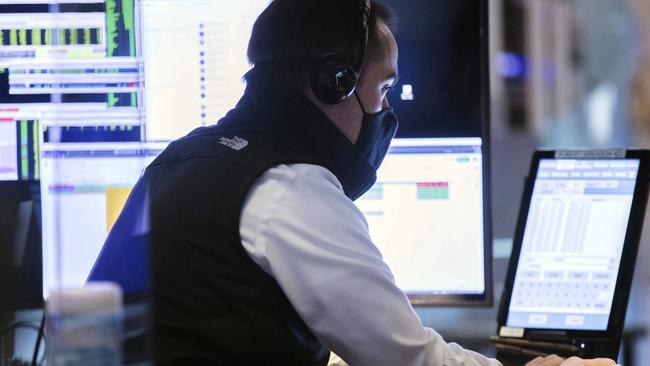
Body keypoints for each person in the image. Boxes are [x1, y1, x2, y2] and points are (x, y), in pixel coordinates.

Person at [113, 0, 619, 365]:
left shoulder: (183, 157)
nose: (384, 110)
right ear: (335, 83)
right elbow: (407, 360)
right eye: (383, 87)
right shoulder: (290, 187)